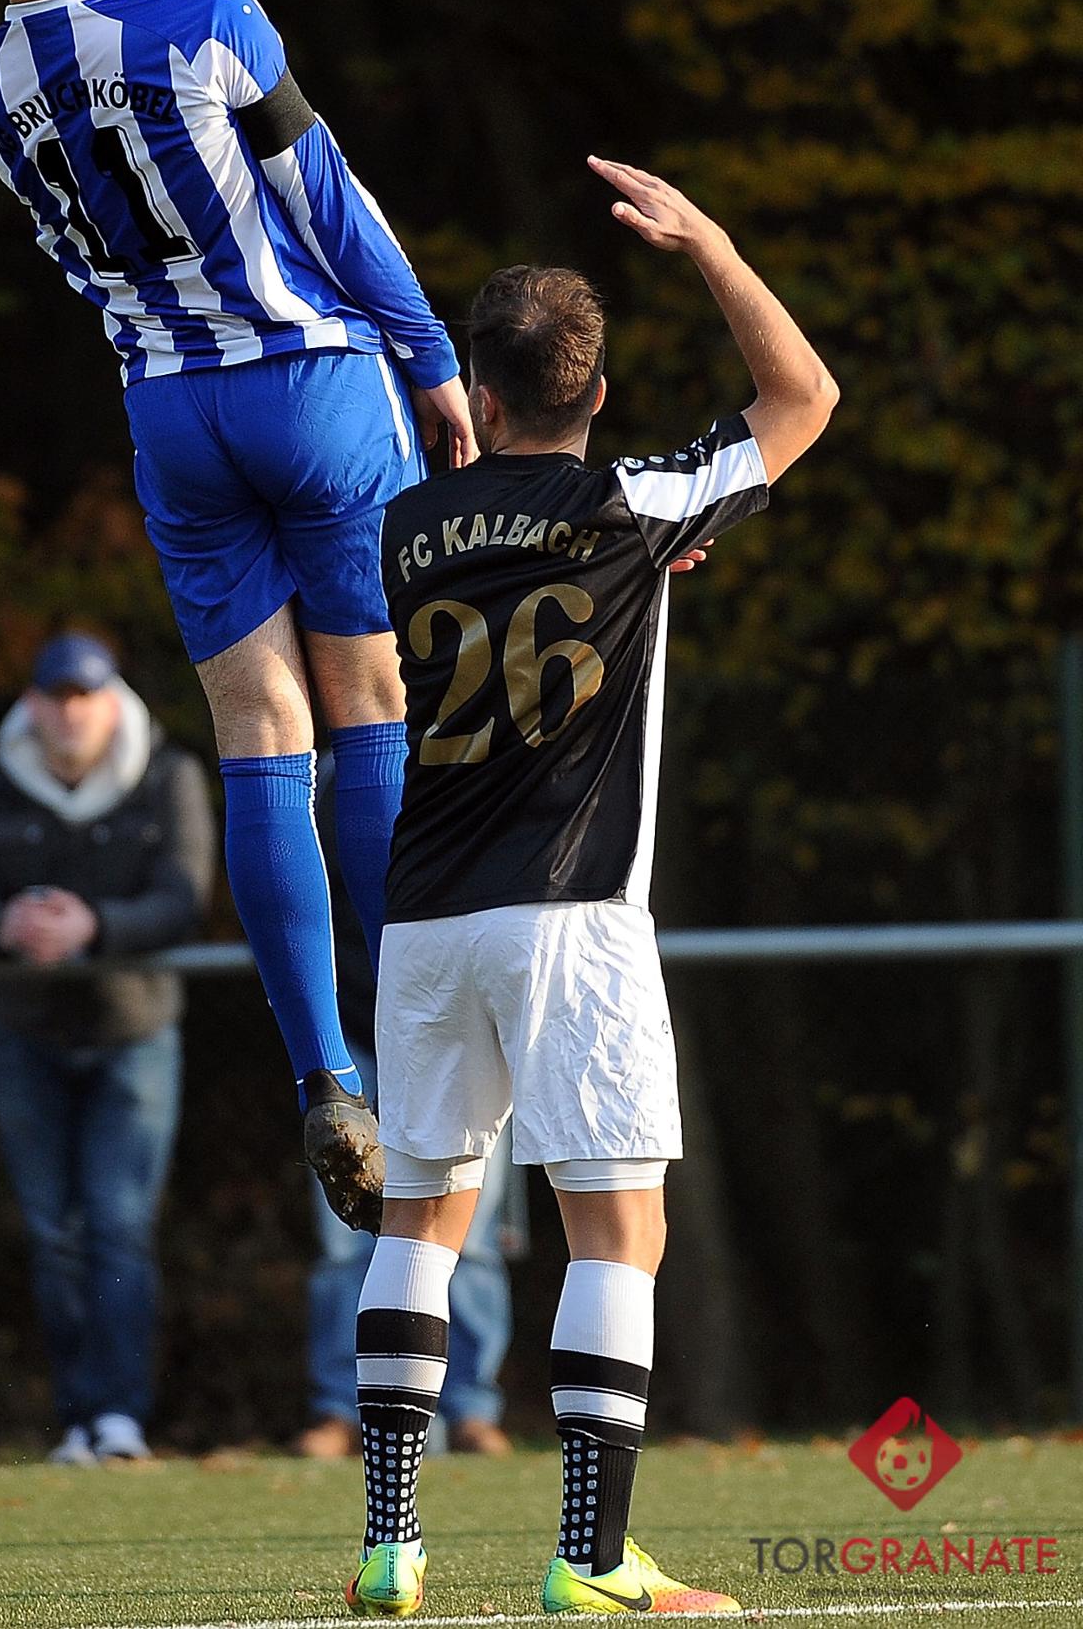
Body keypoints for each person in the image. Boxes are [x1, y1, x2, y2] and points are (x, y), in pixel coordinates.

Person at [0, 0, 478, 1232]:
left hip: (172, 416)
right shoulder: (208, 17)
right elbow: (330, 204)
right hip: (310, 379)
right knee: (370, 707)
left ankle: (323, 1072)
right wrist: (430, 356)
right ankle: (415, 1051)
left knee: (257, 738)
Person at [343, 159, 839, 1619]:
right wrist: (710, 243)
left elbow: (473, 547)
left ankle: (390, 1542)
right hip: (569, 915)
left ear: (480, 395)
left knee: (418, 1219)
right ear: (598, 393)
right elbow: (803, 396)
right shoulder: (635, 506)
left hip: (424, 918)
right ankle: (591, 1552)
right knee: (617, 1231)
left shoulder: (403, 526)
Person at [0, 633, 215, 1463]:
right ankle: (78, 1418)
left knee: (119, 1229)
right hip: (26, 1031)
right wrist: (3, 925)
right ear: (31, 704)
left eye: (84, 695)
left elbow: (185, 896)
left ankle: (120, 1414)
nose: (69, 712)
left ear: (112, 701)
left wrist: (96, 925)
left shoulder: (167, 774)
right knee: (52, 1233)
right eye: (55, 696)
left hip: (133, 1031)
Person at [294, 758, 513, 1462]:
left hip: (459, 1033)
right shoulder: (321, 783)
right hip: (354, 1040)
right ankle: (342, 1408)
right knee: (344, 1242)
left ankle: (471, 1407)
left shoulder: (476, 762)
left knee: (470, 1235)